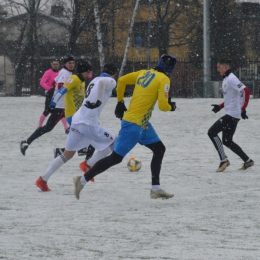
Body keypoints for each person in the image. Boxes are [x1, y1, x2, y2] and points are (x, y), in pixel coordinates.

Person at [73, 54, 177, 200]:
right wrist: (171, 106)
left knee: (159, 149)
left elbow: (121, 80)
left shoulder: (144, 73)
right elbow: (163, 106)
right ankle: (82, 180)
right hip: (134, 124)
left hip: (142, 123)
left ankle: (156, 188)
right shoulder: (164, 79)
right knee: (115, 158)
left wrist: (120, 102)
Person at [35, 63, 118, 191]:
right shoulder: (110, 80)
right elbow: (103, 84)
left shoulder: (94, 80)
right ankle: (88, 164)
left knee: (67, 154)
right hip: (88, 123)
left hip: (76, 120)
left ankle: (43, 180)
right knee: (114, 141)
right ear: (114, 74)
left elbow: (99, 83)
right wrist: (99, 101)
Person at [20, 55, 75, 156]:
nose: (71, 65)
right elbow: (60, 86)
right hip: (61, 106)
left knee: (78, 127)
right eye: (69, 63)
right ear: (65, 64)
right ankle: (27, 142)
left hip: (65, 106)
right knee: (48, 127)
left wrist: (53, 93)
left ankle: (69, 149)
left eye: (73, 63)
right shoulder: (65, 73)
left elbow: (54, 82)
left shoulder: (63, 72)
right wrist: (56, 99)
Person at [208, 57, 254, 172]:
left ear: (226, 67)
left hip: (232, 115)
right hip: (232, 114)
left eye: (219, 67)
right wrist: (220, 106)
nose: (217, 69)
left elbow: (246, 91)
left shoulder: (231, 79)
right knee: (227, 141)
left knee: (212, 132)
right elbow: (231, 98)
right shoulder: (226, 79)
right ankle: (247, 160)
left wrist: (243, 109)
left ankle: (224, 160)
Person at [37, 59, 69, 133]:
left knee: (60, 111)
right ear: (51, 65)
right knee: (46, 111)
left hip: (58, 94)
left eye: (57, 64)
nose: (56, 66)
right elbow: (42, 82)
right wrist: (49, 88)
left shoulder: (61, 72)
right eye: (54, 64)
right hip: (51, 94)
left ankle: (66, 128)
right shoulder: (48, 72)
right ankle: (39, 126)